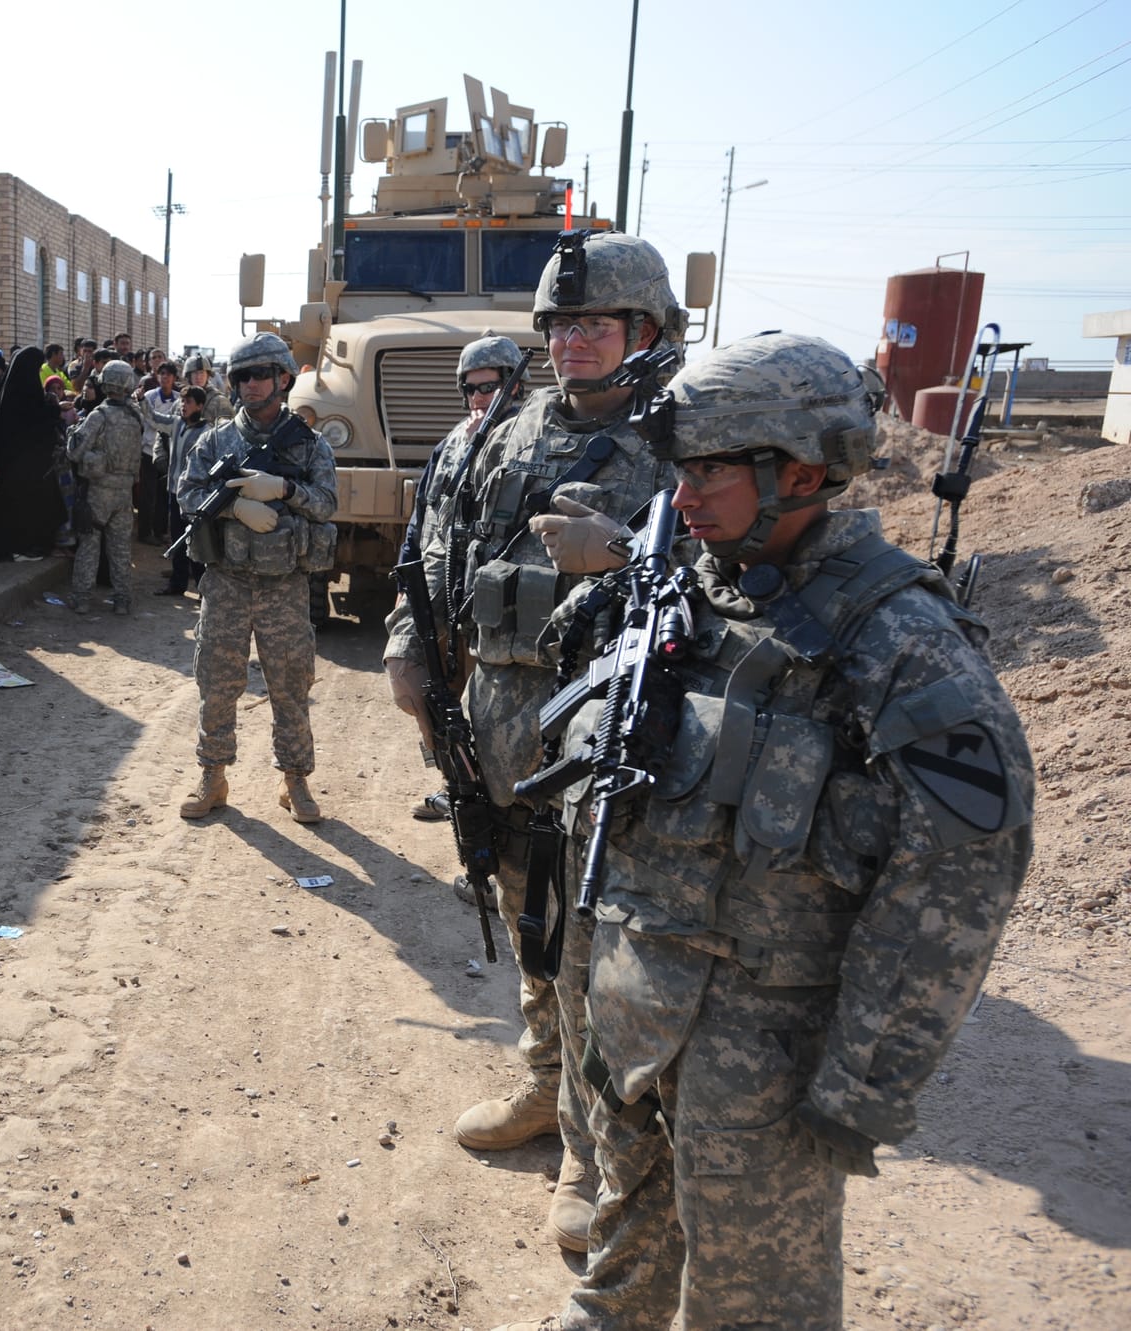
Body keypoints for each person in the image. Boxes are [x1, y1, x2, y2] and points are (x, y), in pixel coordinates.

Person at [491, 332, 1034, 1331]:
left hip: (769, 1040)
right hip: (640, 999)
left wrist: (862, 1079)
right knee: (627, 1218)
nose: (683, 491)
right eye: (681, 466)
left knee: (754, 1296)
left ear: (799, 470)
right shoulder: (684, 588)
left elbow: (955, 883)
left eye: (709, 468)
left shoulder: (898, 642)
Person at [380, 233, 687, 1256]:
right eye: (560, 325)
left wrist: (639, 562)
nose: (574, 342)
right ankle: (542, 1078)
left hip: (610, 738)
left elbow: (743, 586)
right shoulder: (493, 436)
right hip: (496, 729)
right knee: (527, 919)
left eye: (596, 324)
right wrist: (405, 655)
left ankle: (588, 1150)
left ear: (645, 332)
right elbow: (433, 551)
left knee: (595, 948)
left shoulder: (688, 443)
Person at [175, 332, 337, 824]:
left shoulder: (308, 445)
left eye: (261, 374)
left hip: (284, 584)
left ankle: (295, 782)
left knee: (290, 684)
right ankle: (213, 776)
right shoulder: (217, 441)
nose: (250, 384)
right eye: (242, 375)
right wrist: (234, 508)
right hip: (227, 580)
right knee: (217, 682)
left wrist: (285, 489)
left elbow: (328, 503)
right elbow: (187, 494)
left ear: (283, 378)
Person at [400, 334, 530, 823]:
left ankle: (479, 796)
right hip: (438, 584)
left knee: (485, 702)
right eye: (471, 389)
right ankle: (458, 778)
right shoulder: (451, 442)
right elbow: (422, 515)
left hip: (497, 597)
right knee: (412, 682)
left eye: (490, 387)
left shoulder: (529, 443)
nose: (479, 398)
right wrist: (406, 567)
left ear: (515, 388)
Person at [65, 359, 144, 614]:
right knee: (120, 549)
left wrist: (72, 433)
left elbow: (75, 452)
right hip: (124, 493)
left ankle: (81, 598)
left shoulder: (99, 416)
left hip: (98, 491)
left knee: (89, 545)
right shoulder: (135, 415)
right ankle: (122, 600)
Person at [0, 345, 68, 559]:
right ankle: (32, 545)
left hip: (13, 465)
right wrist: (55, 410)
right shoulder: (27, 393)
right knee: (34, 505)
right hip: (29, 466)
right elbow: (35, 422)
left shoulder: (7, 393)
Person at [155, 384, 211, 597]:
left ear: (200, 406)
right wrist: (141, 401)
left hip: (194, 497)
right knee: (177, 539)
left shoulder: (207, 433)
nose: (183, 405)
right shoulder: (177, 424)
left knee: (196, 543)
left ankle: (203, 589)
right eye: (182, 401)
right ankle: (177, 584)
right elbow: (154, 418)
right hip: (174, 493)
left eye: (188, 402)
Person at [139, 359, 180, 544]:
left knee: (164, 495)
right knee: (147, 495)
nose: (165, 377)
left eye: (168, 374)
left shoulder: (180, 399)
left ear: (174, 378)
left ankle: (160, 531)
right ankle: (144, 532)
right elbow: (144, 421)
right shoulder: (148, 397)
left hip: (170, 454)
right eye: (162, 374)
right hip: (149, 451)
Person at [182, 353, 233, 422]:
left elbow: (228, 429)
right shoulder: (181, 401)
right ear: (188, 376)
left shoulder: (220, 402)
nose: (198, 377)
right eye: (195, 373)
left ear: (208, 375)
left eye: (202, 373)